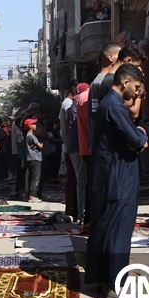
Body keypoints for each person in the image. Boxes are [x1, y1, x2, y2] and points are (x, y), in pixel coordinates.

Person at [85, 64, 149, 298]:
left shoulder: (109, 104)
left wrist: (137, 137)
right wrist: (142, 134)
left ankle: (104, 279)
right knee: (118, 230)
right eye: (136, 87)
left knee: (106, 227)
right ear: (125, 83)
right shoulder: (113, 105)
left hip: (110, 174)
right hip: (118, 177)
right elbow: (135, 138)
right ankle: (115, 284)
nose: (136, 92)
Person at [67, 83, 90, 225]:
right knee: (82, 183)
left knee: (81, 182)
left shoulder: (74, 103)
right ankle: (82, 215)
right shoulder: (81, 101)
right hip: (79, 146)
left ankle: (80, 214)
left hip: (75, 146)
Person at [59, 80, 78, 217]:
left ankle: (72, 208)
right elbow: (69, 125)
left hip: (70, 146)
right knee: (72, 178)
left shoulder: (69, 103)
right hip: (70, 147)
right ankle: (70, 208)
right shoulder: (68, 104)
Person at [24, 118, 44, 202]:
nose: (35, 126)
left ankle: (30, 194)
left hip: (31, 158)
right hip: (35, 158)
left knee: (32, 176)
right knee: (35, 177)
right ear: (30, 126)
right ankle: (32, 196)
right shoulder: (31, 136)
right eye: (34, 124)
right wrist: (41, 143)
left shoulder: (28, 136)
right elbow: (40, 146)